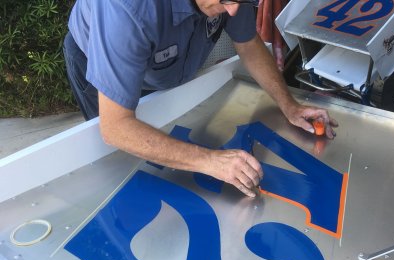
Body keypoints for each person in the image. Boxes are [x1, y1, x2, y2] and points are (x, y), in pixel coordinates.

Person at [63, 0, 339, 198]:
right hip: (101, 57)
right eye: (225, 0)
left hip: (164, 66)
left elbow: (248, 43)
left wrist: (289, 105)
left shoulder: (230, 2)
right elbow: (116, 128)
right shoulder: (124, 8)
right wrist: (211, 161)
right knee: (124, 165)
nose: (233, 10)